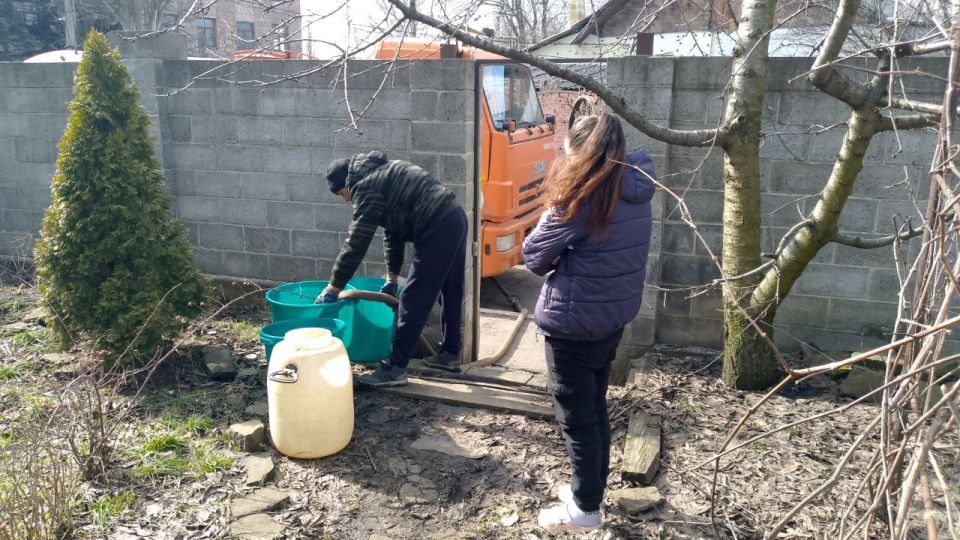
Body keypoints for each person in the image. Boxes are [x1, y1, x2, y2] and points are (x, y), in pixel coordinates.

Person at [522, 114, 655, 533]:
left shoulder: (582, 198)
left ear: (582, 154)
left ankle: (585, 511)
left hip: (572, 325)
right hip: (610, 320)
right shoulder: (635, 188)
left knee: (577, 419)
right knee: (595, 405)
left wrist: (552, 212)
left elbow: (533, 257)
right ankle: (590, 491)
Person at [318, 151, 468, 387]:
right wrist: (392, 278)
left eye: (341, 194)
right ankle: (450, 353)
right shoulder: (381, 174)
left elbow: (356, 242)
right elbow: (393, 234)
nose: (346, 199)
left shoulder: (365, 187)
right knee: (450, 290)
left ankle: (395, 368)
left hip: (437, 225)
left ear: (345, 183)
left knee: (412, 298)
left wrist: (333, 287)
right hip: (454, 217)